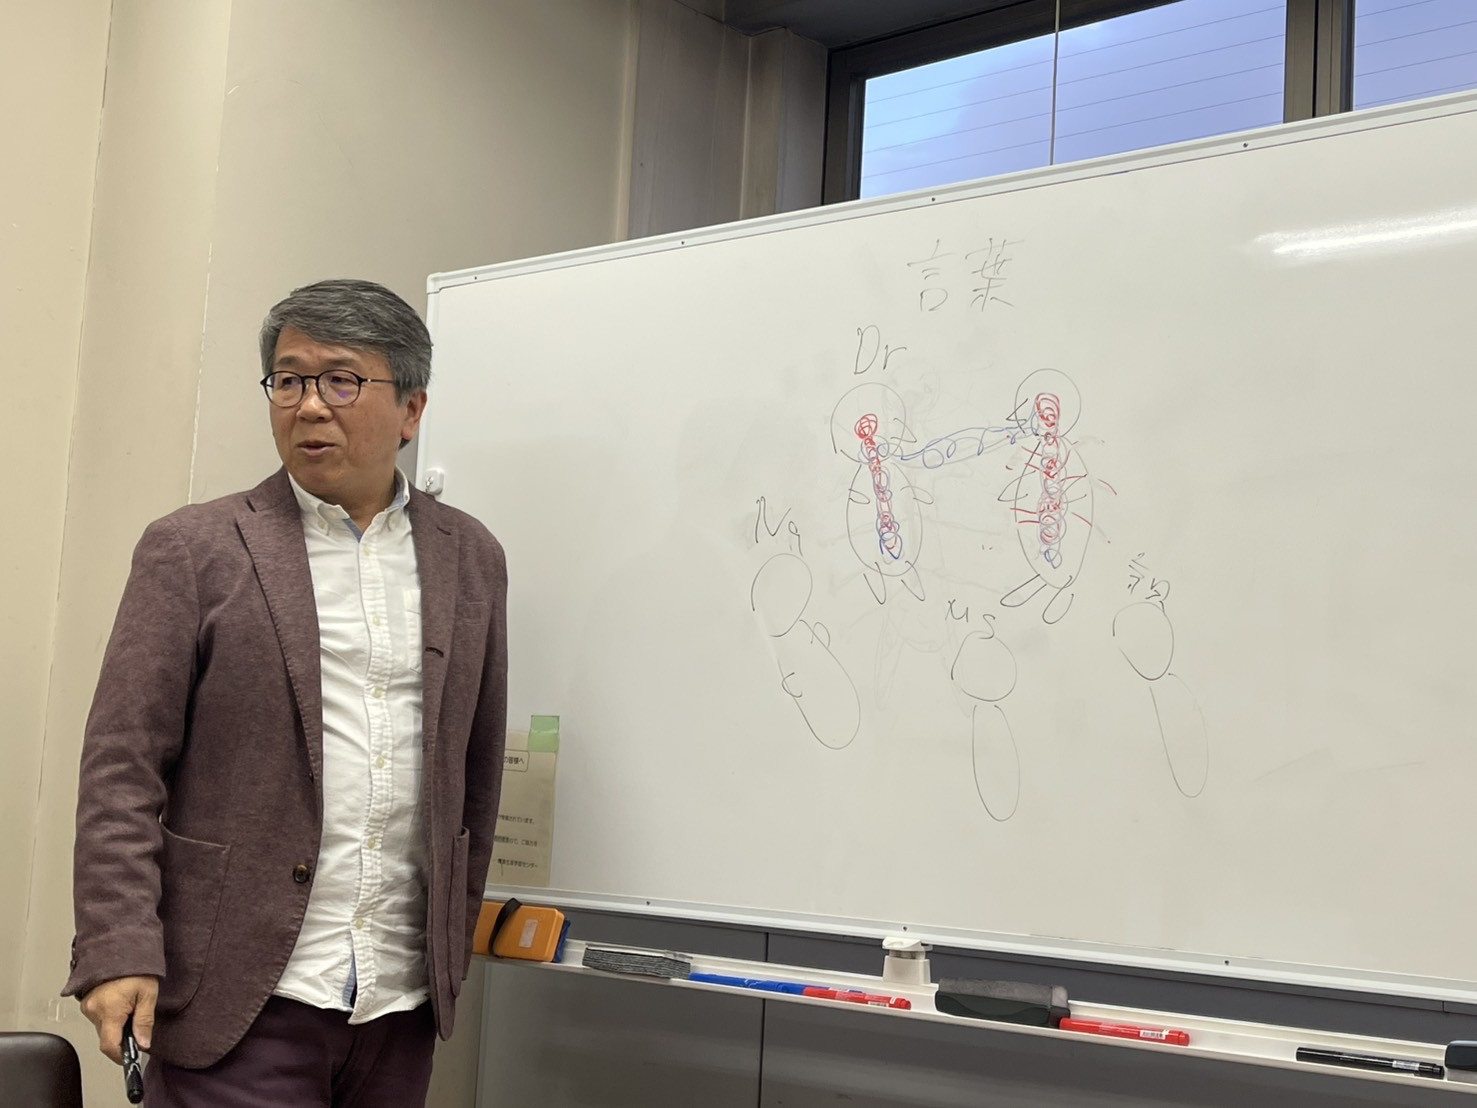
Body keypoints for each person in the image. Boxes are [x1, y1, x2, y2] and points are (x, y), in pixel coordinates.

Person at [63, 279, 508, 1107]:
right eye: (289, 379)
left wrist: (448, 944)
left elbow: (473, 776)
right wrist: (118, 946)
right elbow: (122, 767)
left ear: (411, 410)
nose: (308, 406)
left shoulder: (469, 556)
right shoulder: (195, 548)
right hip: (240, 995)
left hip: (398, 999)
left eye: (341, 381)